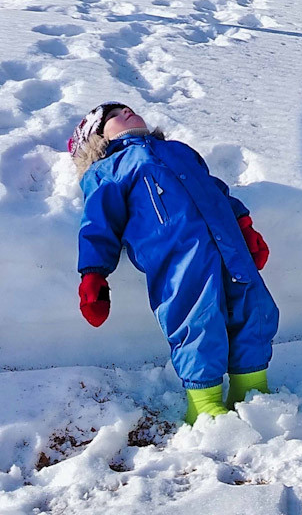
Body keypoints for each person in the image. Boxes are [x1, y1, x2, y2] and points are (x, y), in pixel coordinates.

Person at [69, 102, 279, 423]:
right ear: (96, 140)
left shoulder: (178, 150)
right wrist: (93, 275)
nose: (125, 112)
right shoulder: (110, 169)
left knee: (254, 310)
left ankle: (251, 388)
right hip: (178, 260)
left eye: (126, 108)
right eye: (111, 115)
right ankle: (204, 402)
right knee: (197, 320)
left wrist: (245, 229)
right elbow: (99, 223)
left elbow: (216, 191)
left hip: (229, 245)